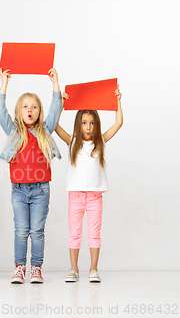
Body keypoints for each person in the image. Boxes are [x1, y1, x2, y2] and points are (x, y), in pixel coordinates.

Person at [0, 68, 62, 284]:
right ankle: (19, 268)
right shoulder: (14, 131)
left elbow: (55, 109)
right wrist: (4, 83)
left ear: (39, 112)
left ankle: (36, 269)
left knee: (37, 231)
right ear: (19, 111)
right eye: (25, 107)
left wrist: (55, 84)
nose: (30, 110)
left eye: (34, 107)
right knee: (21, 230)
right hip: (19, 190)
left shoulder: (45, 130)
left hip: (41, 189)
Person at [55, 87, 123, 283]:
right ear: (78, 124)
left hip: (95, 197)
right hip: (75, 196)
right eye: (84, 123)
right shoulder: (72, 141)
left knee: (94, 234)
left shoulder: (100, 141)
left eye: (92, 123)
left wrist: (118, 100)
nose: (88, 127)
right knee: (74, 233)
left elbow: (118, 123)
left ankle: (93, 269)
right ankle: (74, 269)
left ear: (96, 125)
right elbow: (55, 125)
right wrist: (62, 104)